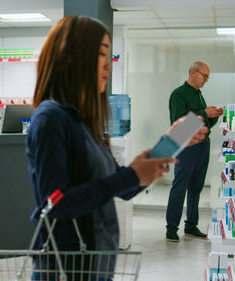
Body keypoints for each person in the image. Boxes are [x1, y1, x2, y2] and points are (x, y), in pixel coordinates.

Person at [26, 15, 207, 281]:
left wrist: (172, 142)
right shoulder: (50, 119)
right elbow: (56, 205)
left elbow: (125, 185)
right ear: (72, 57)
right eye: (101, 54)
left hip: (96, 264)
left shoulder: (84, 121)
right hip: (66, 269)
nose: (107, 66)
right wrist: (130, 176)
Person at [165, 61, 222, 242]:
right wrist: (204, 113)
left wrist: (213, 115)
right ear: (193, 73)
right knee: (180, 187)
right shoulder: (179, 94)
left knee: (196, 187)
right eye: (204, 76)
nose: (206, 80)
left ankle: (191, 225)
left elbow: (203, 122)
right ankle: (171, 228)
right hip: (186, 146)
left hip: (202, 145)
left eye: (207, 77)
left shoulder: (199, 95)